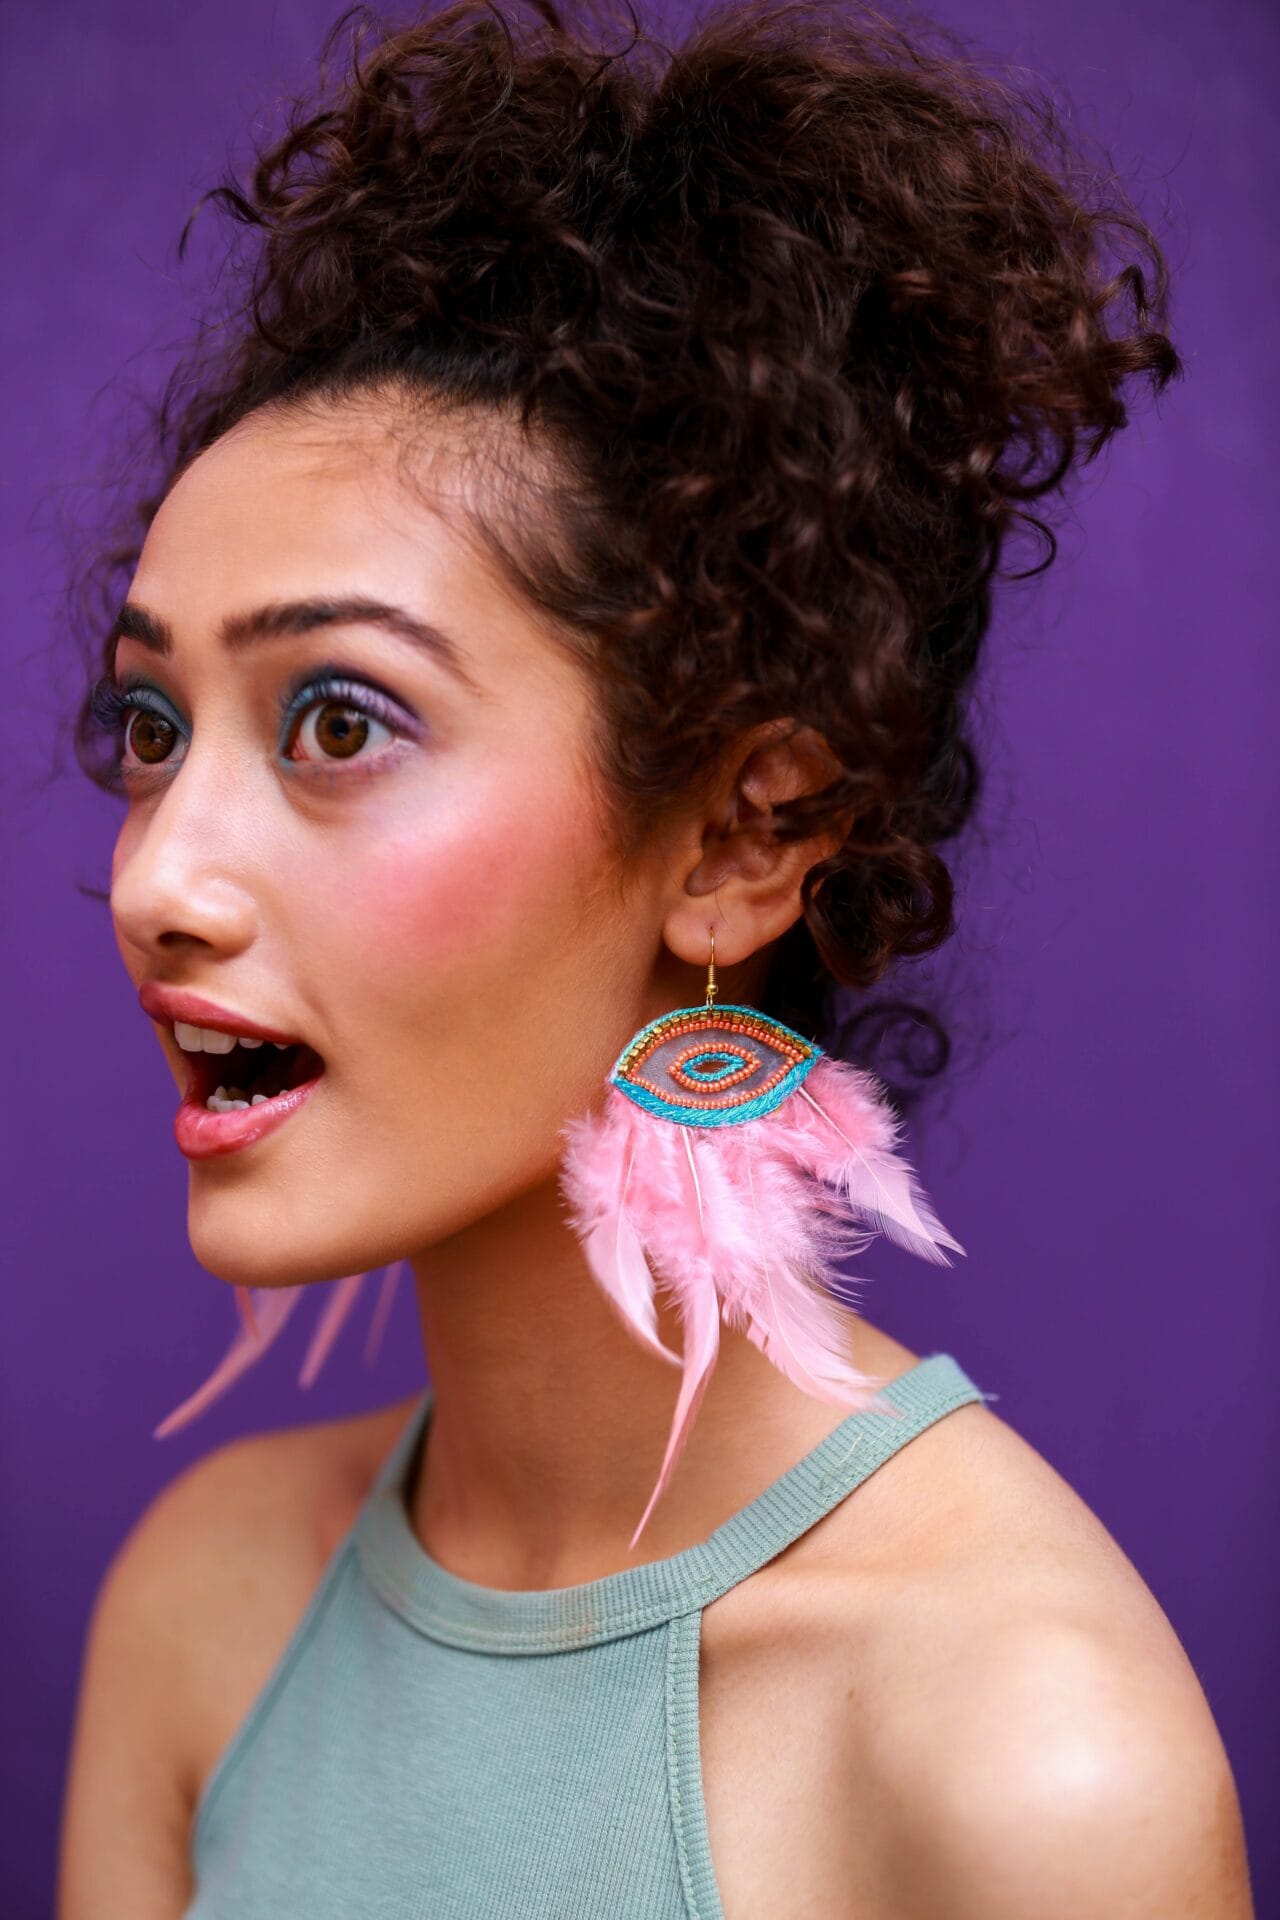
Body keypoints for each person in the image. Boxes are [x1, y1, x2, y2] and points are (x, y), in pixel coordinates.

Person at [56, 2, 1253, 1915]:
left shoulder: (1022, 1754)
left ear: (737, 842)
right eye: (150, 727)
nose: (158, 879)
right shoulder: (205, 1606)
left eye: (339, 722)